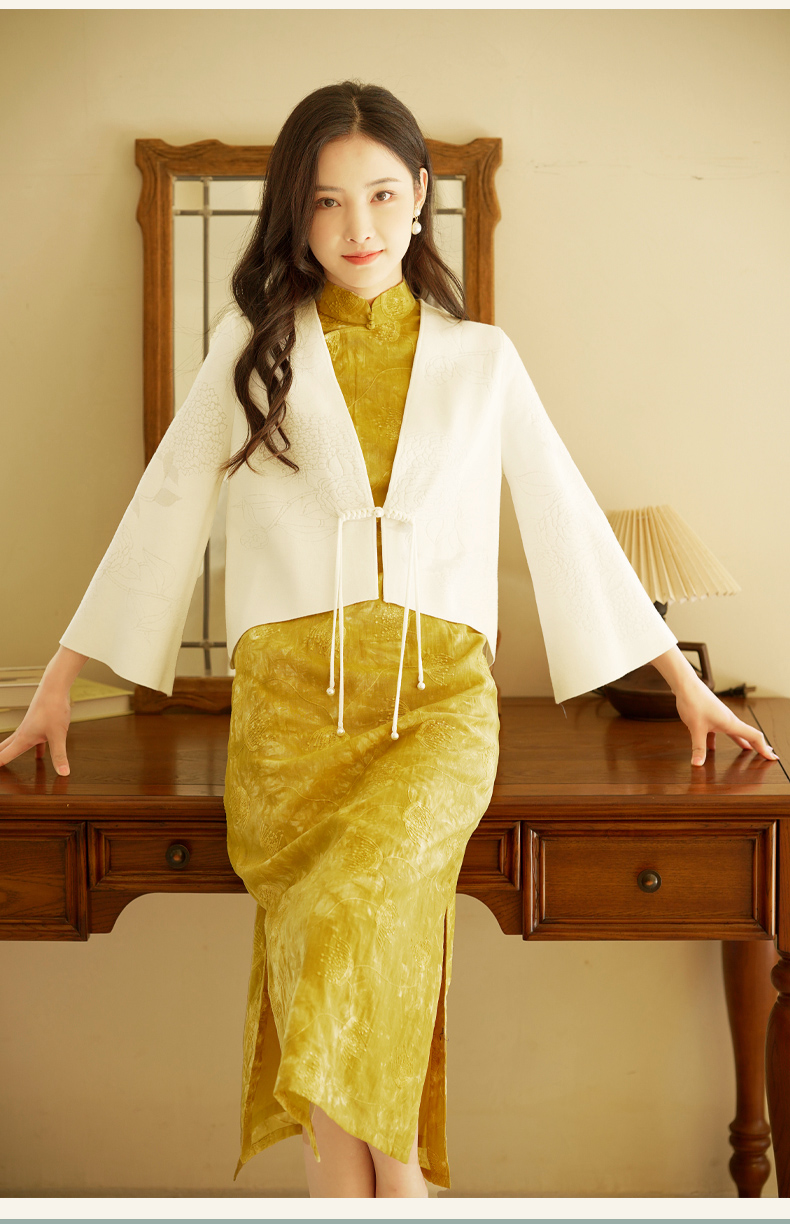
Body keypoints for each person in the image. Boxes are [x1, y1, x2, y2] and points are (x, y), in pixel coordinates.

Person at [0, 80, 777, 1199]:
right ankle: (366, 1193)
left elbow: (564, 515)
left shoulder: (481, 360)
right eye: (324, 202)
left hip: (437, 714)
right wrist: (59, 682)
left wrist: (682, 684)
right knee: (326, 935)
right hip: (288, 722)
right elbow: (162, 508)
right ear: (295, 213)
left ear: (419, 195)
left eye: (376, 194)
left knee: (361, 908)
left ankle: (396, 1181)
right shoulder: (252, 346)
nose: (354, 226)